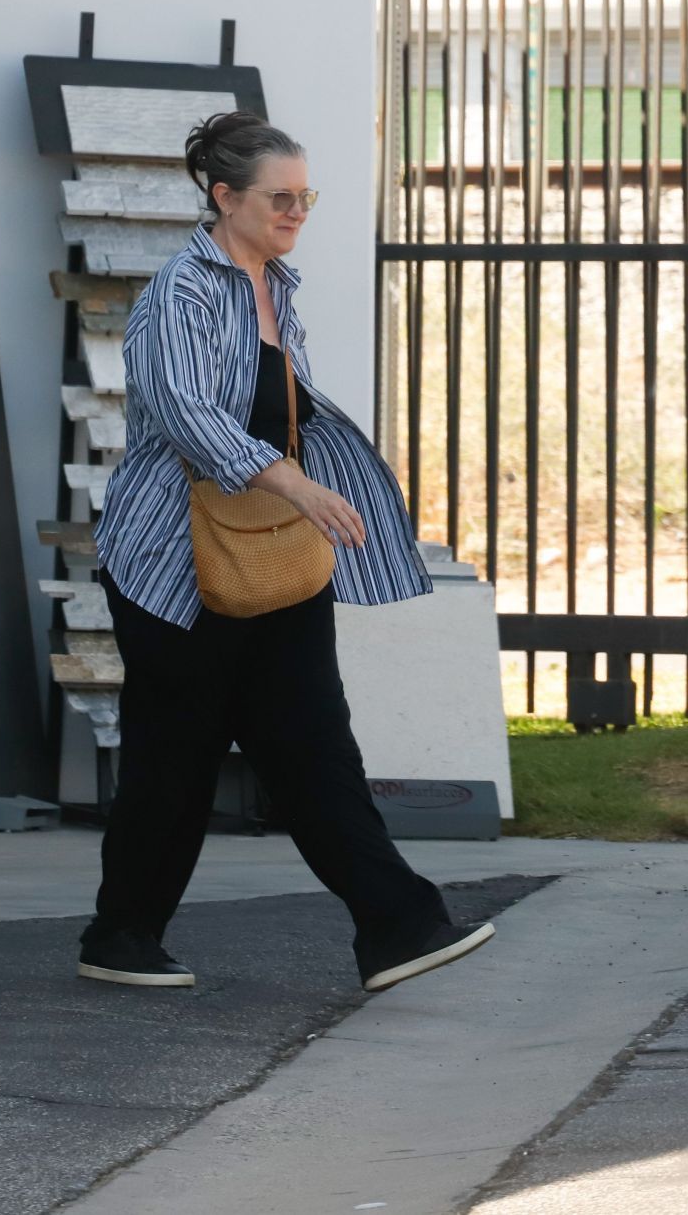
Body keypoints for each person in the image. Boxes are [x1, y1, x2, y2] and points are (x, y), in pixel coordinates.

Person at [78, 109, 496, 992]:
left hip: (273, 556)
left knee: (314, 744)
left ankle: (397, 924)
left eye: (306, 196)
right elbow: (188, 412)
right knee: (175, 764)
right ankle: (121, 937)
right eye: (280, 197)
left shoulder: (280, 286)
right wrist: (299, 487)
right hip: (174, 565)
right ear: (224, 197)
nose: (297, 210)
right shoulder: (179, 293)